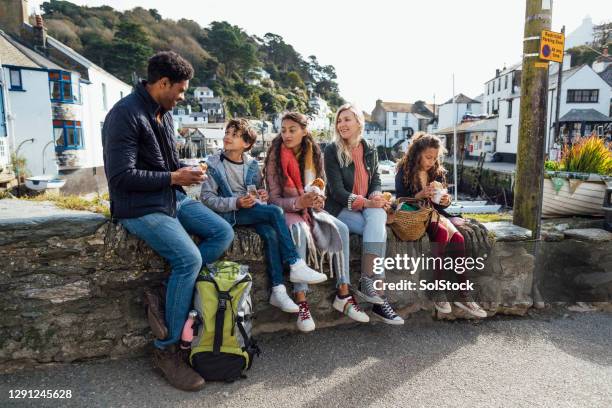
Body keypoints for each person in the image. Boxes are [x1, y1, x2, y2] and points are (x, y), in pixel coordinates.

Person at [102, 51, 235, 391]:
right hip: (138, 207)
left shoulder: (165, 113)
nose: (183, 96)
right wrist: (175, 178)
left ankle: (171, 294)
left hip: (169, 198)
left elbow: (169, 167)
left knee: (222, 231)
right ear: (162, 83)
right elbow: (121, 177)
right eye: (181, 89)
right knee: (188, 259)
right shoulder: (124, 115)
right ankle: (166, 350)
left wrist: (187, 174)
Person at [200, 118, 327, 315]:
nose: (227, 137)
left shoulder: (251, 164)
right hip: (230, 215)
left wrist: (263, 194)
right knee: (276, 212)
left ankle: (277, 289)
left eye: (234, 135)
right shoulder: (213, 164)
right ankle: (295, 262)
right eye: (227, 133)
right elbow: (207, 198)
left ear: (247, 144)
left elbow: (260, 189)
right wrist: (236, 202)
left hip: (252, 211)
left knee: (270, 233)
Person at [264, 112, 369, 332]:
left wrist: (318, 199)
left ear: (304, 131)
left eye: (292, 130)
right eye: (283, 130)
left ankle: (343, 294)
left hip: (310, 208)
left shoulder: (314, 153)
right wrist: (298, 202)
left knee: (340, 227)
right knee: (299, 231)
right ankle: (302, 301)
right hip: (288, 208)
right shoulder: (275, 155)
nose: (287, 134)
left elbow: (321, 188)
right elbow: (273, 199)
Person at [324, 104, 404, 325]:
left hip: (366, 208)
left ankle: (368, 282)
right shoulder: (332, 150)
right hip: (340, 209)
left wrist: (376, 196)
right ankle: (378, 295)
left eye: (347, 119)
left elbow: (376, 180)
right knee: (379, 230)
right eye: (339, 120)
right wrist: (368, 202)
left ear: (359, 122)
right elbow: (336, 191)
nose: (342, 124)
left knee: (377, 219)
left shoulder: (369, 148)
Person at [395, 132, 487, 318]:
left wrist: (445, 200)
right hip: (416, 215)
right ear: (417, 153)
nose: (431, 161)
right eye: (428, 157)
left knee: (459, 238)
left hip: (435, 214)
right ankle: (438, 290)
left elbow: (440, 204)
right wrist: (419, 196)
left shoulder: (436, 172)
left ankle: (463, 293)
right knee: (442, 235)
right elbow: (399, 201)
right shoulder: (404, 170)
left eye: (435, 157)